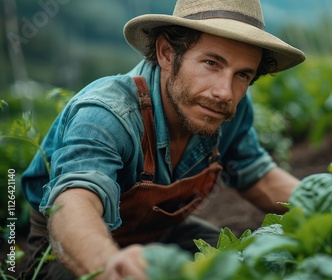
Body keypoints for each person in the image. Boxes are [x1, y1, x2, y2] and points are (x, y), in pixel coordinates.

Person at [20, 0, 305, 279]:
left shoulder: (227, 108)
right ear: (167, 53)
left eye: (242, 74)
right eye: (211, 63)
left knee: (247, 264)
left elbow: (258, 176)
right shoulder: (107, 114)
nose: (225, 92)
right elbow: (74, 202)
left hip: (158, 235)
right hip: (67, 248)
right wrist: (110, 265)